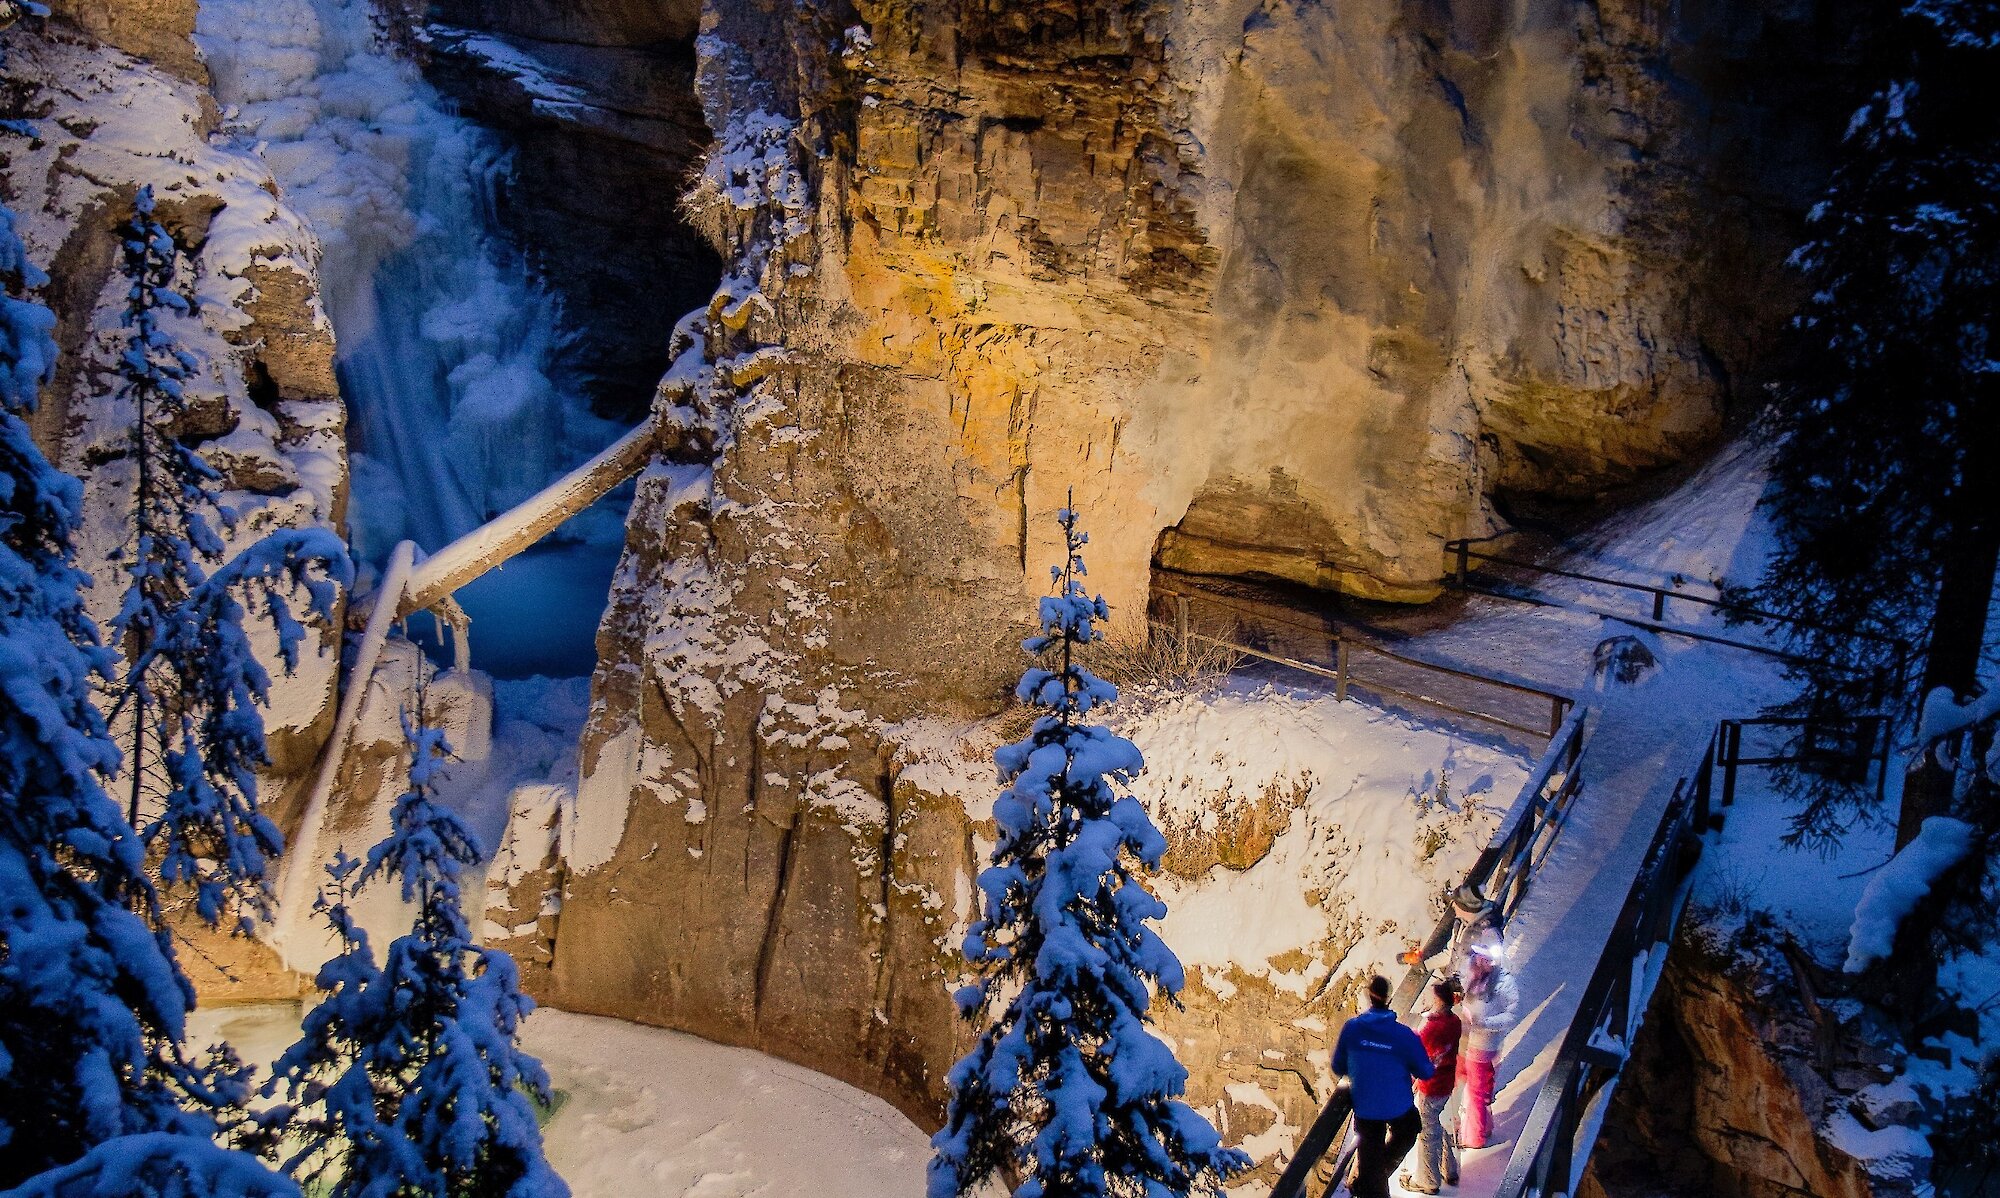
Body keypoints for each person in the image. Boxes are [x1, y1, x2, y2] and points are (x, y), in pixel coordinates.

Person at [1331, 974, 1433, 1198]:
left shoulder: (1352, 1029)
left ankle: (1371, 1180)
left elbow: (1338, 1066)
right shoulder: (1403, 1035)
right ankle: (1374, 1176)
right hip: (1398, 1104)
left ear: (1369, 996)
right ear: (1388, 998)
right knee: (1409, 1128)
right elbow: (1425, 1071)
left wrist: (1364, 1066)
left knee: (1370, 1153)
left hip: (1365, 1106)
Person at [1453, 905, 1518, 1150]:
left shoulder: (1503, 983)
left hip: (1482, 1046)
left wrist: (1483, 1024)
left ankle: (1475, 1137)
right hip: (1465, 1041)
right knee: (1460, 1082)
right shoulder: (1473, 974)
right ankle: (1472, 1126)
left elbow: (1509, 1014)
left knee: (1477, 1094)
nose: (1479, 960)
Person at [1401, 982, 1462, 1195]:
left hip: (1431, 1086)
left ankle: (1428, 1180)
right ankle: (1449, 1168)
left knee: (1427, 1131)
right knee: (1433, 1122)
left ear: (1438, 1000)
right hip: (1445, 1082)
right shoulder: (1454, 1021)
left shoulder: (1433, 1028)